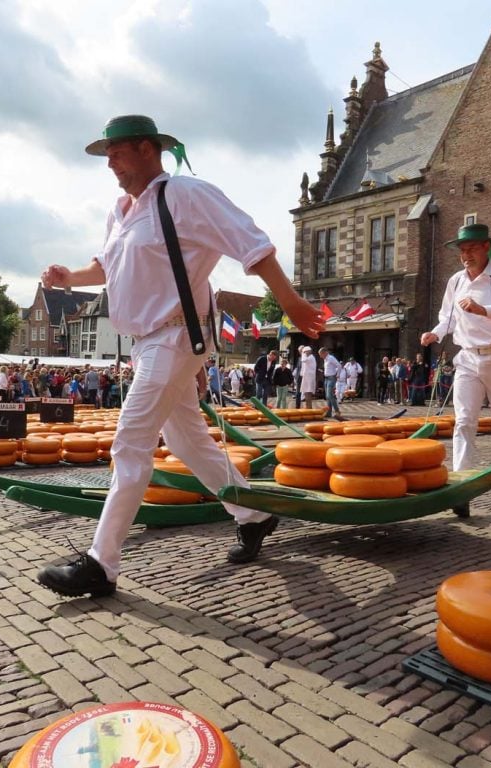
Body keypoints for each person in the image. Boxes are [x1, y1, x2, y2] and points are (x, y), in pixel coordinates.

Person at [35, 115, 323, 598]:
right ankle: (253, 514)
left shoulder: (185, 195)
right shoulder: (120, 210)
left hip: (175, 337)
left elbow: (251, 242)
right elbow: (107, 266)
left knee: (130, 443)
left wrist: (290, 301)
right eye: (106, 155)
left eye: (116, 152)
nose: (109, 163)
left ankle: (100, 565)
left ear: (148, 149)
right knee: (187, 441)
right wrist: (70, 277)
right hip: (145, 343)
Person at [419, 223, 491, 512]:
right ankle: (463, 488)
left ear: (486, 247)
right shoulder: (456, 281)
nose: (466, 254)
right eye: (462, 249)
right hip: (467, 358)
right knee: (464, 421)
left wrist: (485, 310)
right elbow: (448, 316)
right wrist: (435, 333)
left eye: (471, 248)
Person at [319, 346, 341, 418]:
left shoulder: (331, 358)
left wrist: (337, 375)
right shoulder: (325, 359)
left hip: (331, 378)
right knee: (327, 396)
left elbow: (339, 365)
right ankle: (329, 412)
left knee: (329, 395)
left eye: (320, 354)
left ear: (324, 353)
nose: (320, 356)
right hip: (326, 378)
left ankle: (337, 411)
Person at [298, 345, 317, 410]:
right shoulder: (309, 358)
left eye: (304, 352)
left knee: (308, 392)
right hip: (306, 377)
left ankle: (309, 408)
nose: (303, 353)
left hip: (309, 378)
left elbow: (303, 360)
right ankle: (308, 407)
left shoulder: (310, 357)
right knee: (306, 393)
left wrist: (303, 353)